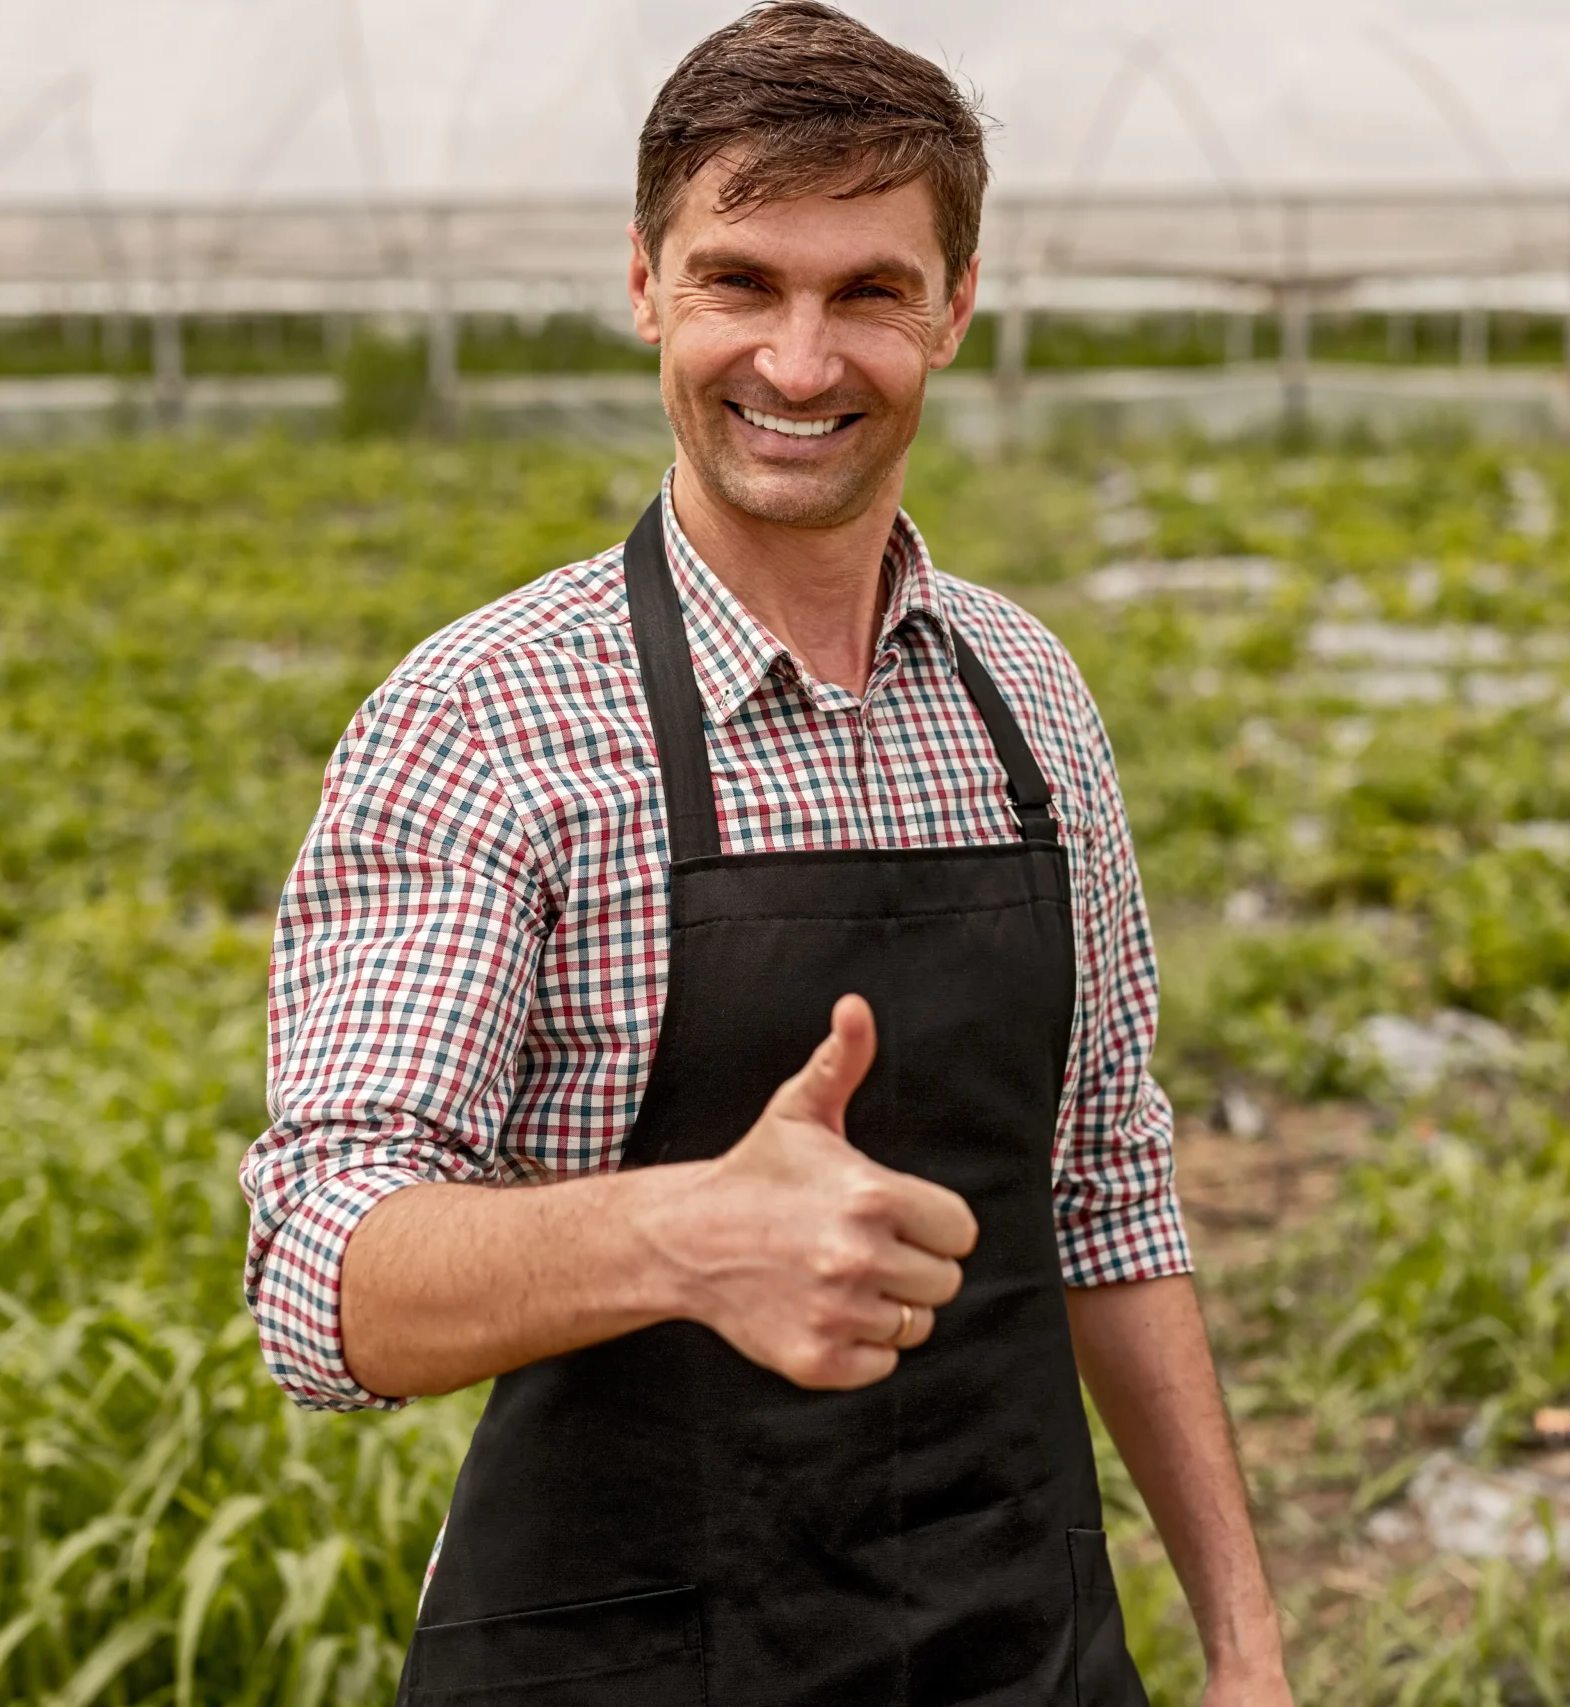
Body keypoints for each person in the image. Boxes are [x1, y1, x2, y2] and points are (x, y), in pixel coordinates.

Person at [241, 6, 1291, 1703]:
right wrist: (680, 1236)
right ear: (646, 285)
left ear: (954, 308)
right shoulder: (491, 713)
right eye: (742, 281)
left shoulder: (1025, 696)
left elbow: (1103, 1183)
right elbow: (321, 1270)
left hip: (1018, 1643)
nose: (800, 363)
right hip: (625, 1660)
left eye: (867, 291)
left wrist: (1245, 1653)